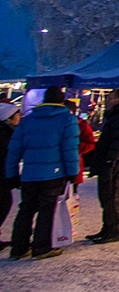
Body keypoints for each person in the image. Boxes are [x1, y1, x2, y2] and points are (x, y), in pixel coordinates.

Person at [4, 86, 80, 260]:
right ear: (61, 100)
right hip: (53, 173)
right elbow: (69, 149)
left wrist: (11, 173)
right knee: (47, 210)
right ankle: (41, 247)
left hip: (30, 173)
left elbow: (14, 150)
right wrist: (72, 173)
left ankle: (18, 247)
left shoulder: (28, 120)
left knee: (26, 209)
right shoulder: (66, 119)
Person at [86, 88, 119, 244]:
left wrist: (111, 161)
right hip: (111, 163)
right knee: (106, 197)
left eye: (110, 98)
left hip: (115, 165)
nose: (107, 101)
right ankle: (107, 228)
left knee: (112, 197)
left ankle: (114, 230)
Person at [0, 101, 22, 251]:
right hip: (1, 175)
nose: (20, 116)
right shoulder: (5, 133)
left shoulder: (7, 131)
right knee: (3, 204)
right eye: (17, 114)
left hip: (3, 174)